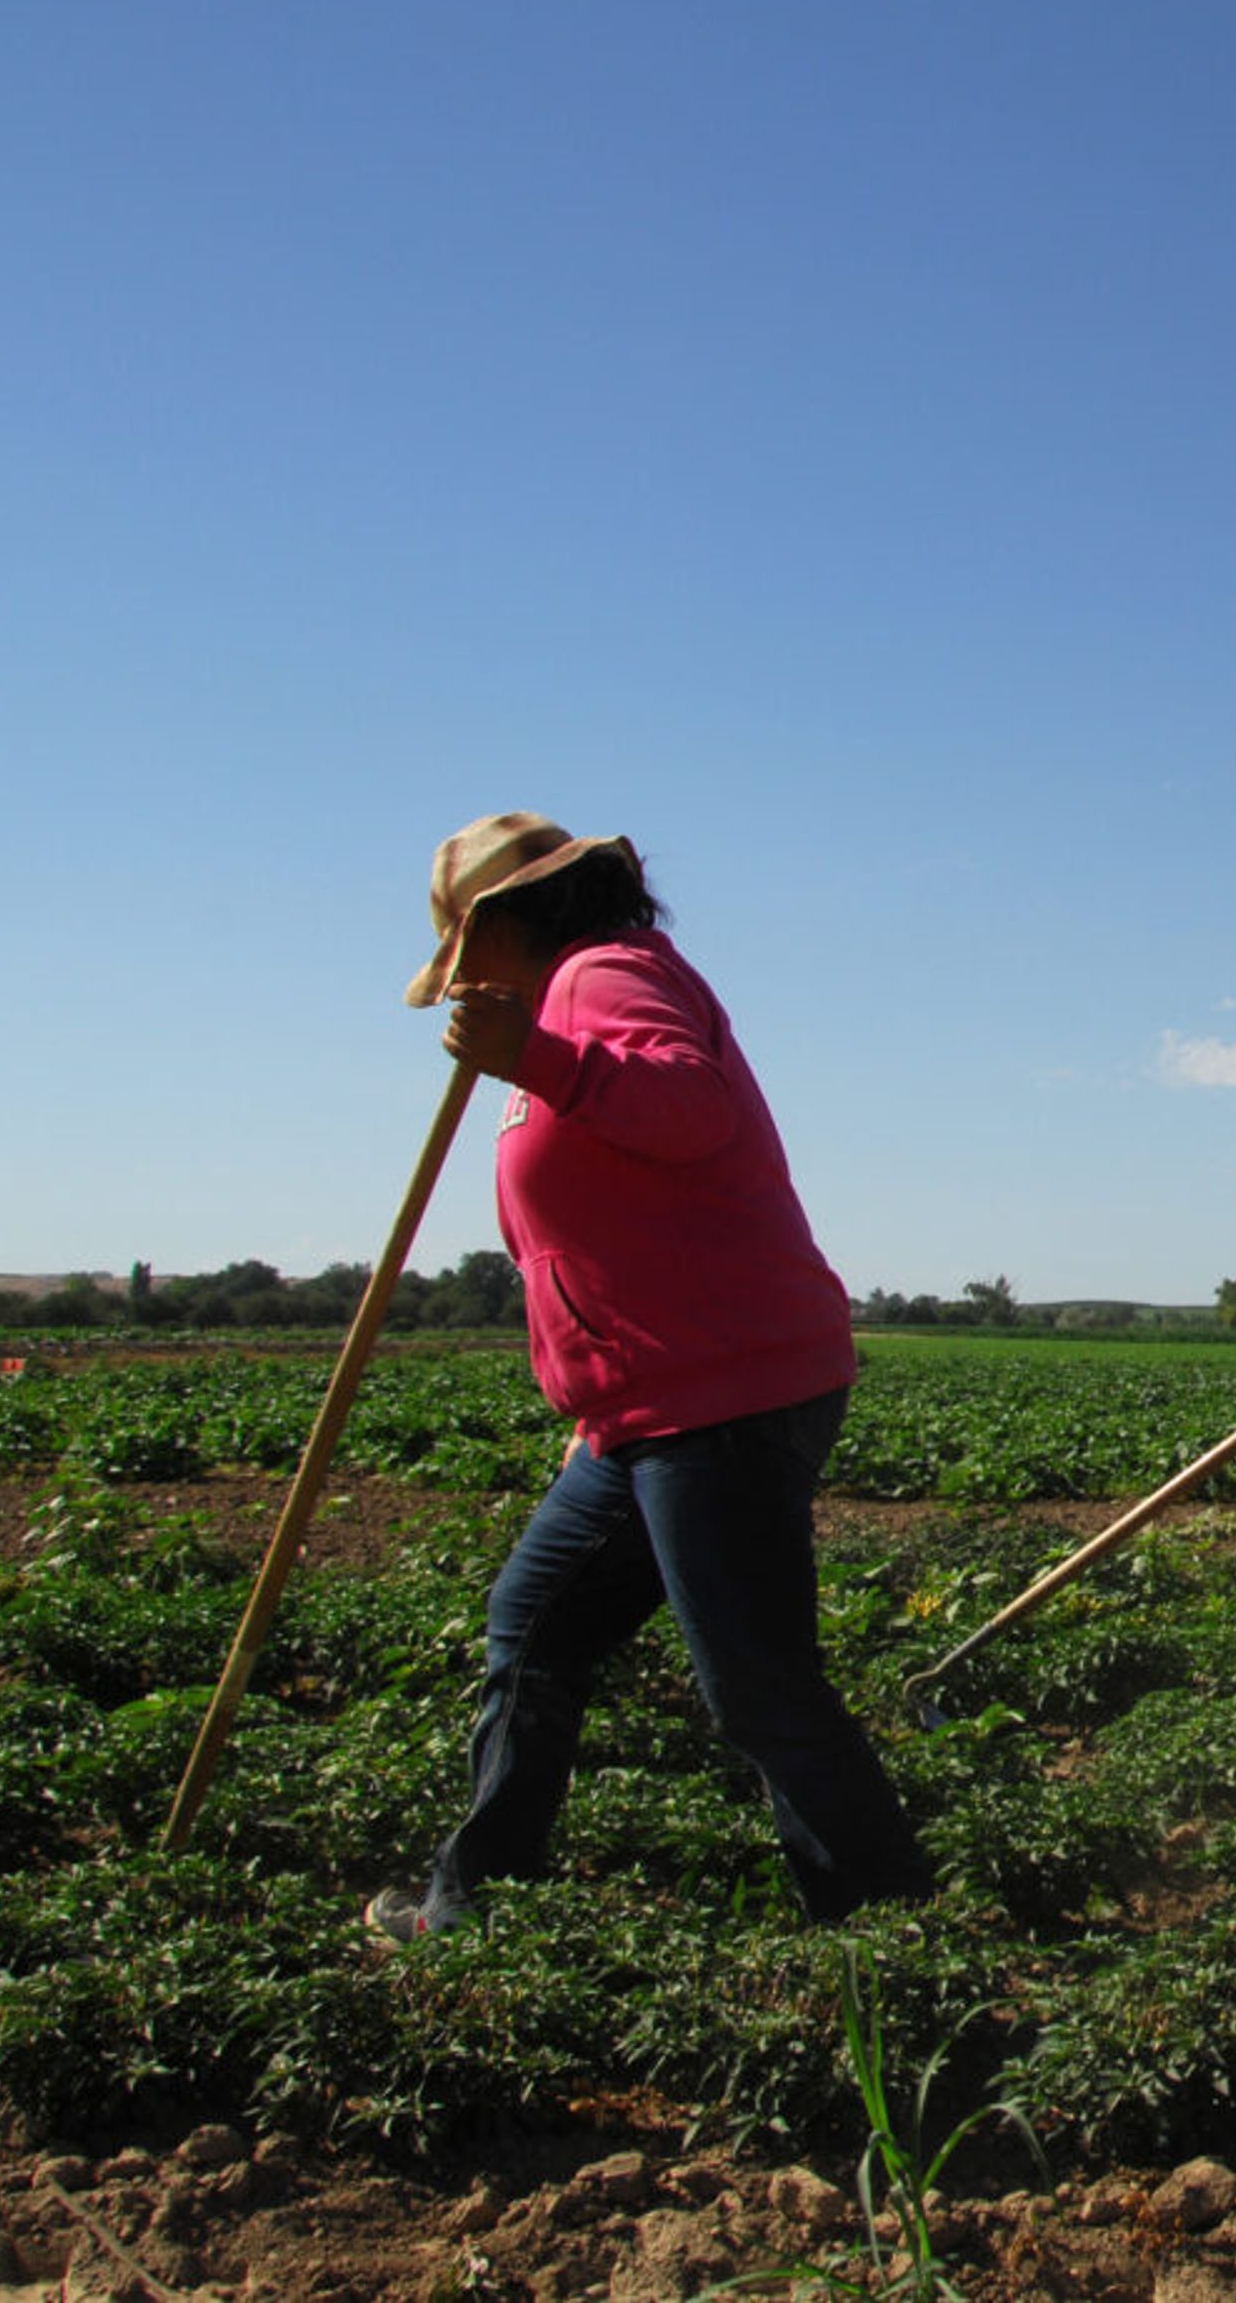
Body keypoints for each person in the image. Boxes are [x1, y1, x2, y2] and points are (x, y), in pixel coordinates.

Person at [366, 814, 932, 1938]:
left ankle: (890, 1932)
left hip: (719, 1392)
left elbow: (688, 1108)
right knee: (535, 1628)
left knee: (757, 1682)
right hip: (647, 1406)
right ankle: (474, 1904)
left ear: (518, 923)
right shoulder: (569, 1002)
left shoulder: (604, 976)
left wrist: (530, 1057)